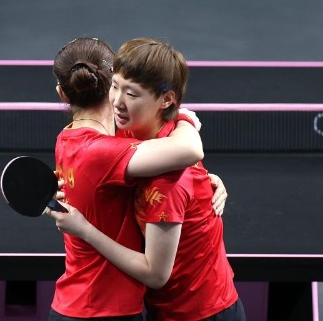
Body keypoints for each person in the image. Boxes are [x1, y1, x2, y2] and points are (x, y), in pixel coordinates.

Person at [49, 37, 245, 321]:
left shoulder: (169, 177)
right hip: (160, 308)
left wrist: (85, 229)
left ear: (166, 99)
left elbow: (155, 274)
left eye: (132, 93)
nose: (117, 101)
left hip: (201, 312)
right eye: (114, 86)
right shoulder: (129, 135)